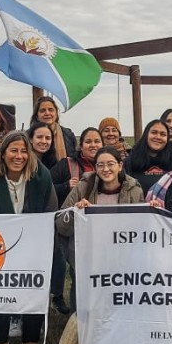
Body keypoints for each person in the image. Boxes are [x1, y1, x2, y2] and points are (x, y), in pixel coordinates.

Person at [54, 145, 145, 344]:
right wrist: (76, 210)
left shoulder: (134, 189)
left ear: (120, 166)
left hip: (123, 259)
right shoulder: (84, 187)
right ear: (95, 168)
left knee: (121, 305)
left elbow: (143, 225)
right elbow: (61, 224)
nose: (106, 169)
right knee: (87, 305)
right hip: (91, 258)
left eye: (110, 164)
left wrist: (152, 211)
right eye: (100, 165)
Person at [0, 131, 58, 344]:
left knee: (33, 290)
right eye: (13, 150)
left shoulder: (43, 177)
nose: (18, 156)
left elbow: (50, 213)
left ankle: (30, 343)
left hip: (33, 246)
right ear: (3, 153)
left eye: (23, 151)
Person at [48, 127, 103, 314]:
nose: (93, 145)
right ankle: (77, 318)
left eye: (97, 141)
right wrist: (65, 187)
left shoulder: (111, 165)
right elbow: (48, 186)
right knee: (78, 276)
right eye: (88, 141)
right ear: (81, 145)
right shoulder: (67, 164)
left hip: (103, 234)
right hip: (76, 233)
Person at [123, 119, 172, 194]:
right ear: (146, 135)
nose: (158, 137)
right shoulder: (131, 160)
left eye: (163, 134)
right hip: (138, 204)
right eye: (154, 132)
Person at [30, 96, 77, 165]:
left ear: (56, 113)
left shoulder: (68, 134)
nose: (47, 113)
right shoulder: (29, 135)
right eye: (43, 110)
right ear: (37, 115)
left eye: (51, 110)